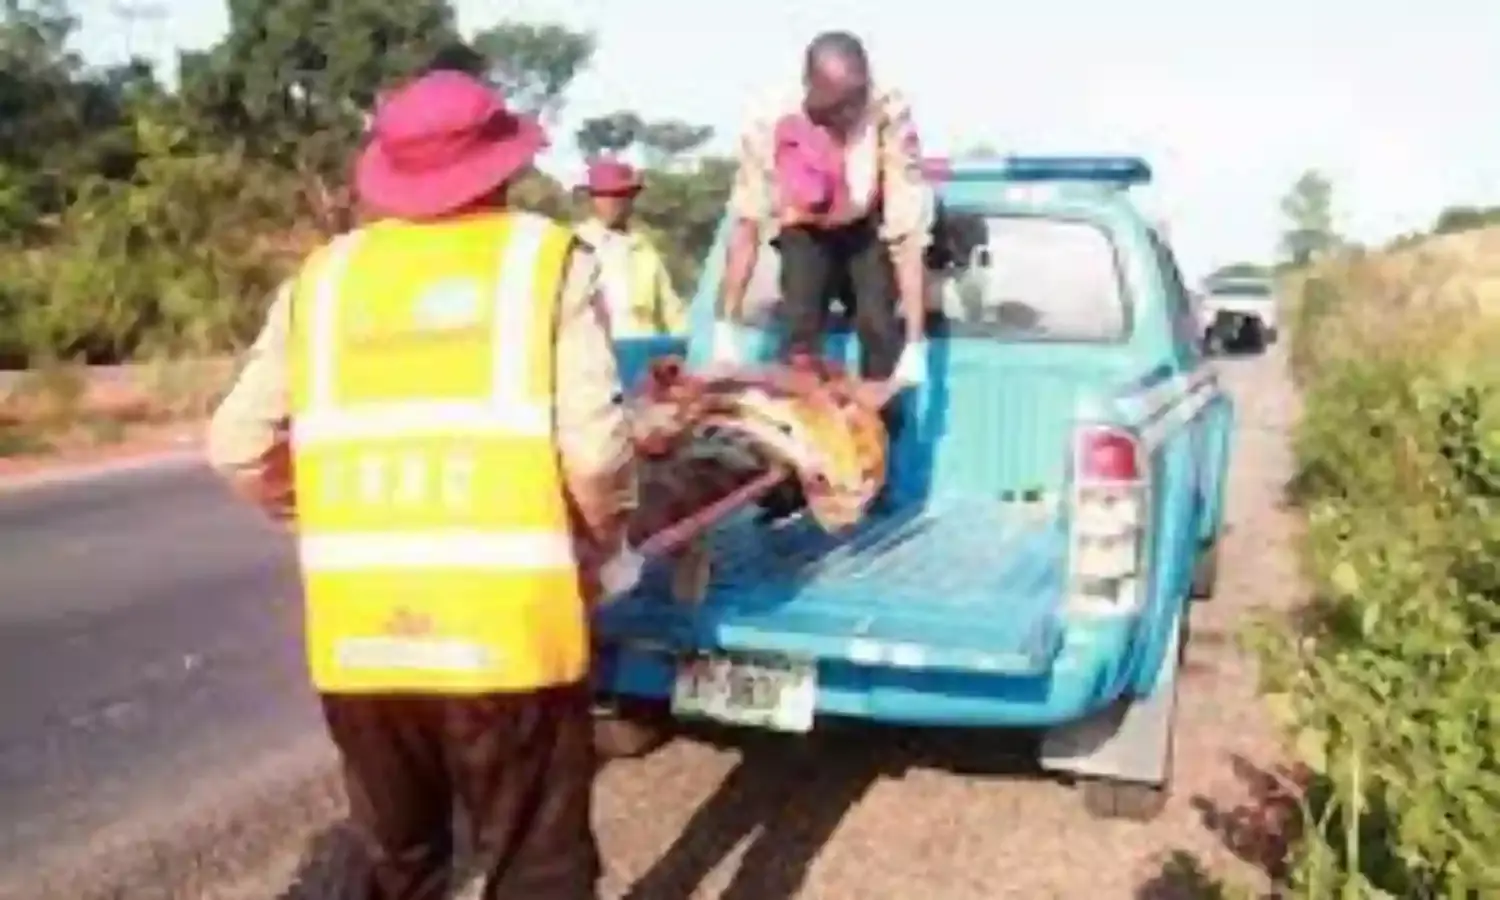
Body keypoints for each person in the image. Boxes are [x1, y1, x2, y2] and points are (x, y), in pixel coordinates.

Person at [206, 70, 641, 900]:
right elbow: (593, 453)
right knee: (536, 868)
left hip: (361, 634)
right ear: (503, 167)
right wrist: (604, 544)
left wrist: (317, 514)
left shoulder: (323, 280)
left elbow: (236, 445)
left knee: (402, 868)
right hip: (507, 634)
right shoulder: (543, 262)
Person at [713, 30, 933, 394]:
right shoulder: (769, 119)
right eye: (835, 107)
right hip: (803, 228)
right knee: (800, 324)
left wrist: (915, 342)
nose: (845, 116)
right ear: (809, 89)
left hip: (866, 227)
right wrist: (726, 326)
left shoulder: (888, 113)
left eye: (853, 103)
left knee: (879, 327)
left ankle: (882, 428)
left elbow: (907, 233)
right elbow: (747, 225)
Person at [573, 159, 688, 338]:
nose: (611, 202)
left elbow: (672, 313)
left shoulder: (644, 251)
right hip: (591, 355)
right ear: (592, 198)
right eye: (604, 194)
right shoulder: (575, 246)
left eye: (619, 195)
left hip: (640, 352)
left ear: (631, 198)